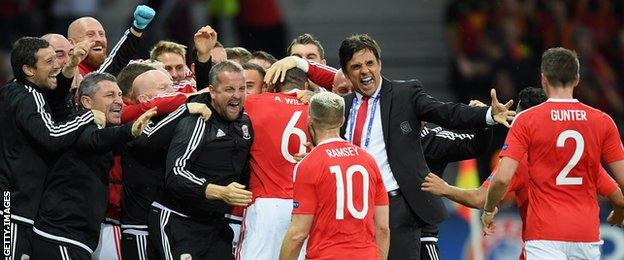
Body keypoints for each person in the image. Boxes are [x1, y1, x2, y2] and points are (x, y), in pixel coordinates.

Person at [267, 34, 515, 260]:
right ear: (345, 72)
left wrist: (487, 116)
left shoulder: (405, 93)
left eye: (370, 64)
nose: (365, 71)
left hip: (397, 209)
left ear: (379, 64)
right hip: (353, 213)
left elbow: (446, 112)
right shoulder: (342, 107)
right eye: (356, 67)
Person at [482, 47, 624, 259]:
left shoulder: (527, 120)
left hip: (543, 235)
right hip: (586, 235)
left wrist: (488, 211)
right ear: (577, 79)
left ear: (543, 79)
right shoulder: (603, 121)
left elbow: (502, 179)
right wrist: (619, 213)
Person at [31, 72, 156, 260]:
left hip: (77, 237)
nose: (119, 101)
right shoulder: (77, 125)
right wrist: (129, 130)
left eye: (120, 95)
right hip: (60, 235)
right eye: (110, 95)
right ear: (87, 102)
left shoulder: (105, 132)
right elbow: (92, 140)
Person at [0, 37, 103, 259]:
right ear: (28, 69)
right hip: (14, 207)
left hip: (11, 202)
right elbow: (52, 136)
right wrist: (87, 117)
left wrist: (71, 66)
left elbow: (55, 96)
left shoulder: (14, 89)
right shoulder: (30, 97)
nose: (56, 65)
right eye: (49, 61)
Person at [148, 61, 253, 259]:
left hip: (214, 224)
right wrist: (220, 192)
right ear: (212, 91)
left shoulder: (245, 123)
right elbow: (175, 174)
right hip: (178, 221)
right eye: (229, 89)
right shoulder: (197, 120)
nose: (237, 95)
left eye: (242, 88)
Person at [279, 92, 390, 260]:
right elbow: (382, 227)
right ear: (342, 121)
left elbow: (298, 233)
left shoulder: (309, 164)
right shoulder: (369, 161)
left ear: (310, 120)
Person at [235, 68, 310, 260]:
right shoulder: (317, 108)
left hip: (266, 204)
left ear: (273, 85)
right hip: (305, 209)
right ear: (306, 86)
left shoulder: (254, 102)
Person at [67, 5, 155, 77]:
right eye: (90, 34)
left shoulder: (118, 72)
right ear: (72, 43)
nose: (99, 39)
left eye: (101, 34)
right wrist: (136, 29)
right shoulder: (67, 74)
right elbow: (102, 78)